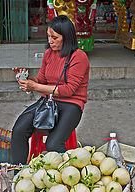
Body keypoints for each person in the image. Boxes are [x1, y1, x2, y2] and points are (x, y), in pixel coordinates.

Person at [10, 15, 90, 165]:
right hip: (49, 101)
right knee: (19, 130)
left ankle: (69, 175)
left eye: (55, 37)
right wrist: (26, 79)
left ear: (67, 37)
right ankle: (17, 174)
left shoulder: (79, 57)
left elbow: (68, 90)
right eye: (48, 36)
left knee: (53, 145)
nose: (50, 41)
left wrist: (35, 87)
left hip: (72, 105)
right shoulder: (49, 54)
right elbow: (42, 80)